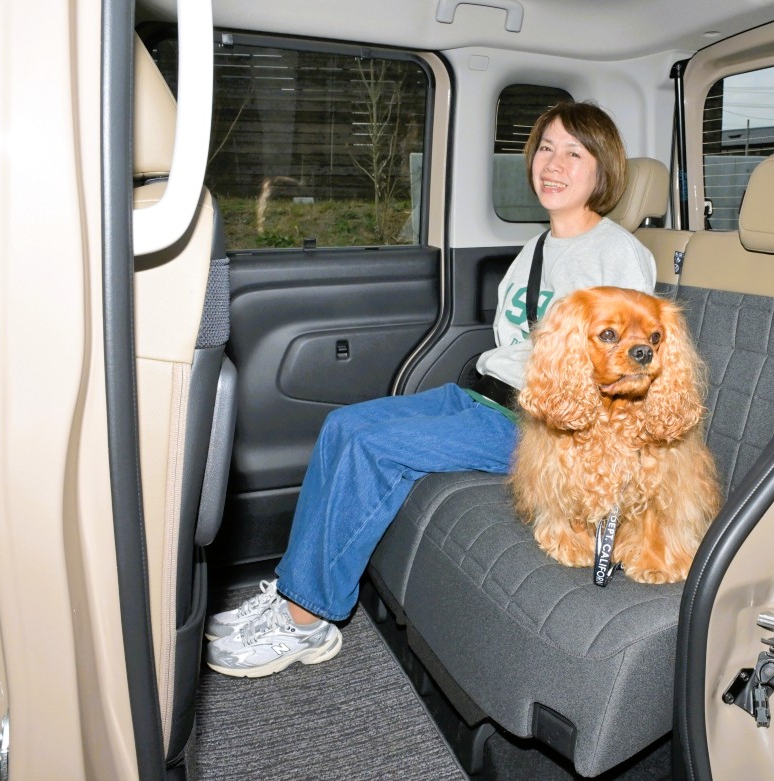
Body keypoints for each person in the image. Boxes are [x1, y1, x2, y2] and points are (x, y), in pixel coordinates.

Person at [205, 101, 658, 677]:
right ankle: (294, 588)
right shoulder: (537, 248)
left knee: (373, 447)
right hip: (485, 395)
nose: (553, 164)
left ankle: (304, 620)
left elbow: (630, 372)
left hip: (539, 424)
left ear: (603, 169)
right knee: (344, 424)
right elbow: (513, 347)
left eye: (574, 153)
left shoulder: (617, 255)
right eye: (546, 148)